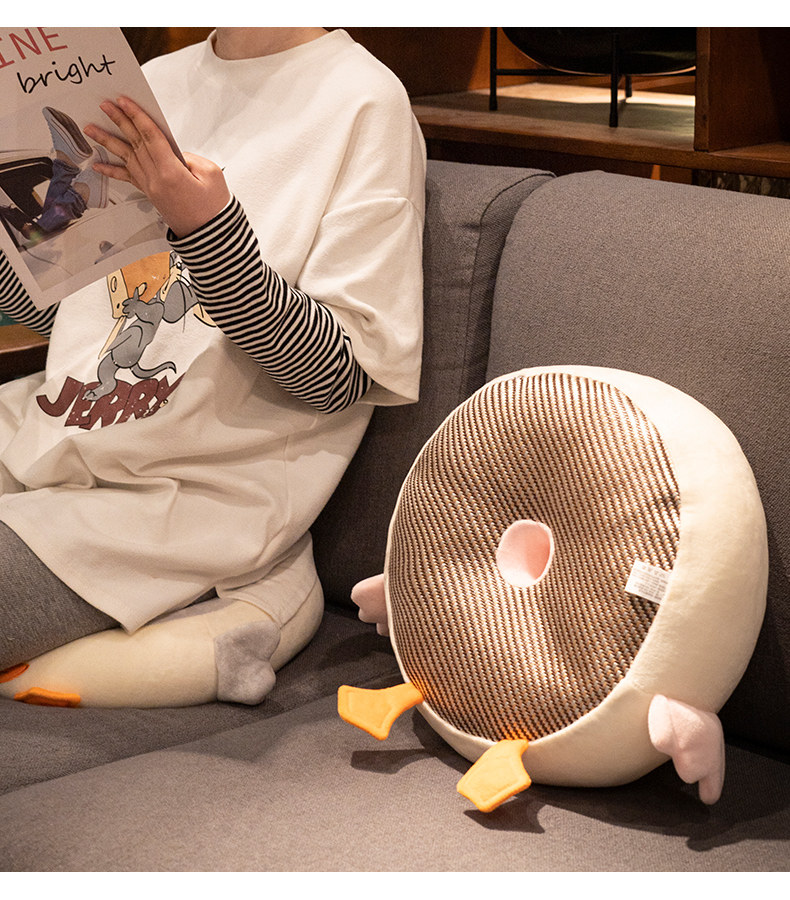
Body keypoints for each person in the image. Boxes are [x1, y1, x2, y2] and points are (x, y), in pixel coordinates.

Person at [0, 27, 426, 702]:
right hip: (53, 438)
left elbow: (338, 377)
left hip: (183, 499)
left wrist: (207, 231)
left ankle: (254, 588)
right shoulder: (149, 79)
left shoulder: (364, 103)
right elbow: (74, 319)